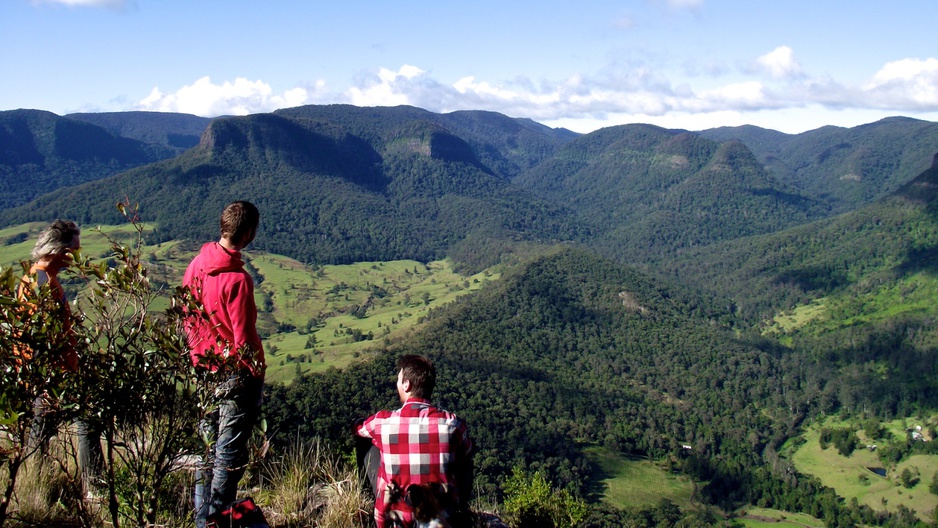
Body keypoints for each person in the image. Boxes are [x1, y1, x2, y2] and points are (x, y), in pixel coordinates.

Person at [182, 201, 266, 528]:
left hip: (203, 370)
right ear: (248, 234)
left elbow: (187, 318)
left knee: (207, 452)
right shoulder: (238, 281)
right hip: (234, 377)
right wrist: (256, 375)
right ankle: (216, 523)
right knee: (227, 458)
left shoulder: (196, 265)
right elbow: (243, 341)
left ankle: (203, 520)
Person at [19, 220, 104, 496]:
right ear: (58, 250)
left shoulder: (36, 277)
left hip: (47, 373)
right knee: (85, 422)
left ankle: (33, 482)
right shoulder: (43, 283)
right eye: (73, 250)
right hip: (54, 375)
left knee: (40, 431)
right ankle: (94, 487)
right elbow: (44, 336)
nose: (76, 256)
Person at [354, 355, 474, 528]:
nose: (396, 383)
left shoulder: (382, 422)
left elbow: (357, 428)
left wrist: (378, 440)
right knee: (465, 450)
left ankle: (373, 505)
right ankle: (460, 510)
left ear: (406, 384)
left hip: (397, 521)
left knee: (366, 442)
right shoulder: (453, 424)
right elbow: (467, 454)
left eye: (398, 379)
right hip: (441, 517)